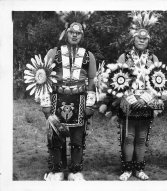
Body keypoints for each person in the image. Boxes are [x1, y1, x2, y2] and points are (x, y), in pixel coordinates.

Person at [41, 11, 96, 181]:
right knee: (56, 138)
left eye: (78, 33)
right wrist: (45, 103)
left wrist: (90, 104)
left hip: (79, 100)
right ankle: (57, 170)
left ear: (82, 35)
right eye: (72, 32)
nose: (74, 35)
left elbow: (92, 80)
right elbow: (43, 78)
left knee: (77, 138)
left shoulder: (88, 56)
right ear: (66, 32)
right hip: (57, 99)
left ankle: (75, 171)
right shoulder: (53, 53)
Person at [116, 11, 163, 181]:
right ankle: (127, 169)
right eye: (139, 38)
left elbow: (158, 82)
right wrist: (131, 99)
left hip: (146, 103)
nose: (142, 40)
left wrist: (146, 99)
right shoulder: (124, 56)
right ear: (133, 39)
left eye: (145, 38)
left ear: (149, 40)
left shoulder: (153, 58)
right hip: (129, 102)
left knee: (142, 137)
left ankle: (139, 169)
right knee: (128, 137)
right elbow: (117, 81)